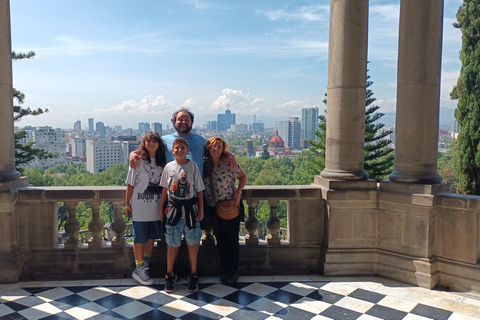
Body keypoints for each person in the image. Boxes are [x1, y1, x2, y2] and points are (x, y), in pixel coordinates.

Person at [159, 137, 205, 293]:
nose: (179, 150)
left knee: (193, 242)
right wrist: (161, 209)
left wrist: (201, 209)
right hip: (173, 210)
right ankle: (169, 274)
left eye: (182, 148)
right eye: (176, 148)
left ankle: (193, 273)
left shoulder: (193, 167)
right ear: (173, 151)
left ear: (187, 151)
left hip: (190, 210)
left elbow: (199, 189)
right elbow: (165, 190)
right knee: (172, 243)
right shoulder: (168, 167)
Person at [125, 132, 166, 286]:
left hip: (156, 207)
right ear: (144, 143)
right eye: (149, 141)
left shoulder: (163, 162)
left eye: (155, 141)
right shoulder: (138, 161)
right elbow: (130, 184)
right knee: (139, 238)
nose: (152, 144)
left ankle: (145, 265)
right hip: (140, 206)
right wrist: (127, 202)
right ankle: (139, 267)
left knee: (151, 237)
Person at [204, 137, 247, 285]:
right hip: (213, 207)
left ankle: (233, 271)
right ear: (208, 148)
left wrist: (238, 193)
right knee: (220, 240)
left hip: (230, 206)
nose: (215, 149)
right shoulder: (205, 164)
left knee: (232, 240)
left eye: (219, 147)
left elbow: (243, 177)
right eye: (213, 146)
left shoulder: (229, 163)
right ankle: (224, 269)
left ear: (223, 149)